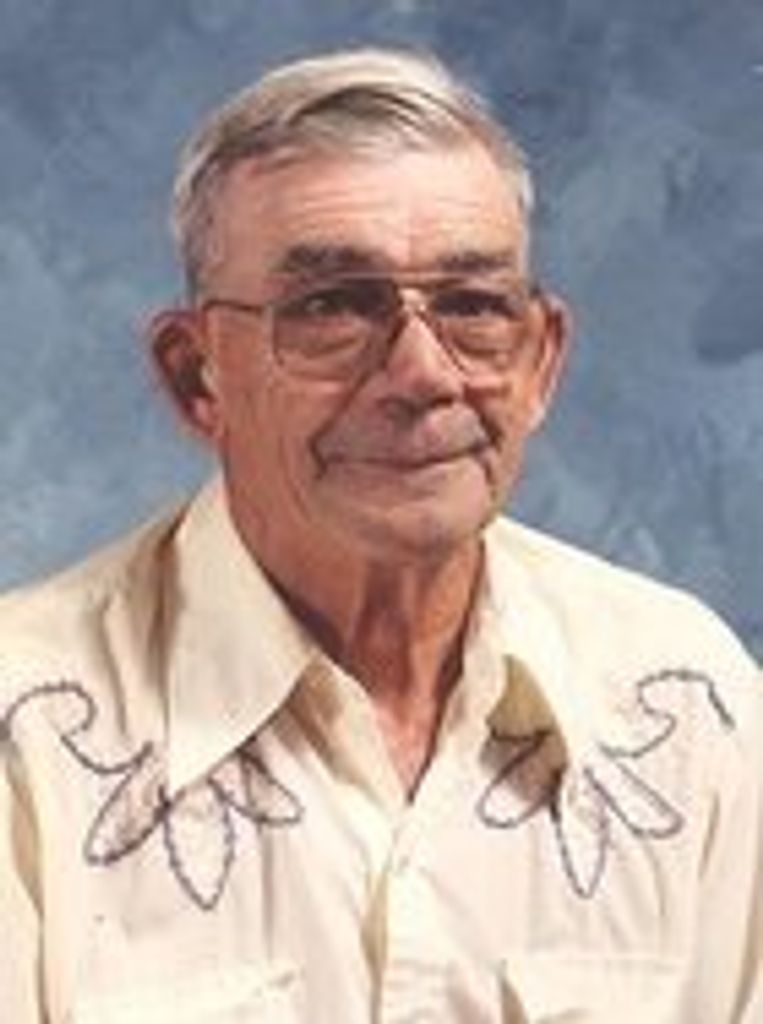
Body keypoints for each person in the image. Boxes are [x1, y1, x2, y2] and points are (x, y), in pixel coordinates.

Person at [0, 47, 760, 1024]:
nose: (421, 374)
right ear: (197, 377)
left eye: (473, 306)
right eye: (332, 308)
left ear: (539, 363)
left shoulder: (688, 704)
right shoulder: (26, 735)